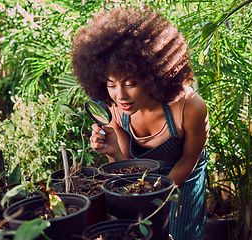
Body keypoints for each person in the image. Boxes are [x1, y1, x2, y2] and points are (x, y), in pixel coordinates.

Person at [71, 6, 209, 240]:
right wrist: (112, 152)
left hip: (184, 177)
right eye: (111, 83)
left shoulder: (190, 107)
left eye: (130, 83)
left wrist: (152, 196)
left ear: (152, 75)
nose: (120, 95)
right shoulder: (115, 107)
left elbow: (188, 160)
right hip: (142, 181)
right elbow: (127, 169)